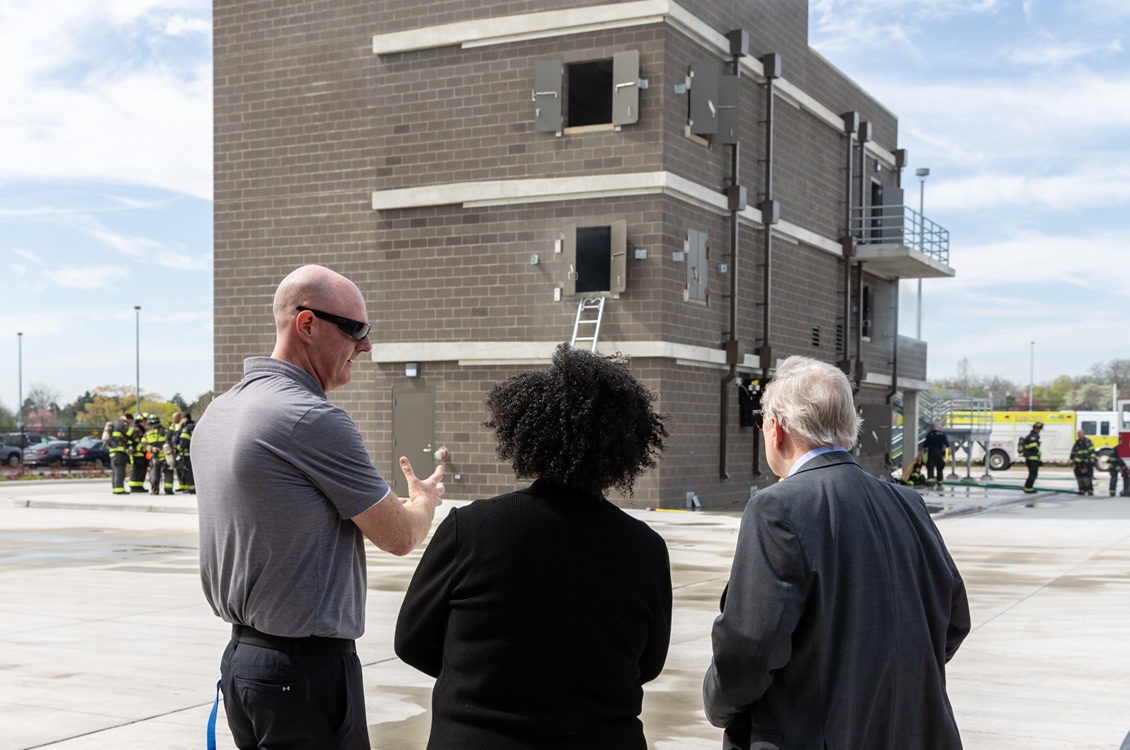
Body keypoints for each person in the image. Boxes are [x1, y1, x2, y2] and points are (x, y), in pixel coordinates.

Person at [194, 264, 445, 750]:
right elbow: (399, 537)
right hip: (303, 671)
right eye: (355, 329)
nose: (366, 345)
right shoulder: (310, 418)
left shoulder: (220, 412)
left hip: (245, 663)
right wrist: (422, 502)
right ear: (305, 325)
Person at [395, 344, 672, 750]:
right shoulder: (645, 548)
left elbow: (411, 641)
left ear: (528, 433)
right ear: (626, 447)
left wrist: (482, 675)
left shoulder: (470, 528)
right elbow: (648, 664)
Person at [702, 355, 970, 750]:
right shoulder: (908, 502)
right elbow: (953, 621)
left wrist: (717, 703)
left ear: (777, 429)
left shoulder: (777, 507)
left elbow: (749, 650)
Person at [104, 412, 137, 495]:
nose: (130, 424)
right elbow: (132, 434)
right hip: (119, 452)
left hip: (113, 452)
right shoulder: (121, 424)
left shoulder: (115, 425)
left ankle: (115, 489)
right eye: (131, 422)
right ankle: (119, 490)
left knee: (115, 471)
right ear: (129, 419)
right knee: (120, 471)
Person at [1070, 429, 1096, 496]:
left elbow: (1092, 451)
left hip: (1086, 463)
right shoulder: (1077, 443)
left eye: (1080, 433)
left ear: (1084, 434)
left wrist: (1092, 458)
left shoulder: (1088, 442)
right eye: (1078, 434)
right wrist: (1072, 462)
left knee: (1087, 477)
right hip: (1078, 464)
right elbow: (1073, 453)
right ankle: (1081, 490)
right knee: (1079, 477)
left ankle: (1089, 490)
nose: (1079, 435)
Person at [127, 413, 149, 493]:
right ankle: (133, 486)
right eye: (144, 421)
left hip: (142, 454)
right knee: (136, 471)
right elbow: (133, 443)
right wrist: (140, 448)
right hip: (136, 454)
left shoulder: (142, 430)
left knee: (142, 471)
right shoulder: (136, 430)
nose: (146, 423)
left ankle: (139, 486)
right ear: (140, 422)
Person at [923, 422, 949, 486]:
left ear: (932, 427)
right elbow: (947, 444)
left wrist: (922, 452)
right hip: (940, 453)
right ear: (937, 427)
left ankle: (930, 480)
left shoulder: (929, 434)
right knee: (940, 467)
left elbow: (925, 445)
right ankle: (940, 481)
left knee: (930, 466)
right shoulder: (942, 434)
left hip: (931, 453)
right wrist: (948, 454)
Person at [1020, 421, 1043, 494]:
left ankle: (1028, 487)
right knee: (1033, 474)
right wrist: (1038, 453)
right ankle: (1028, 488)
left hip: (1031, 459)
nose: (1039, 431)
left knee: (1032, 474)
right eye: (1039, 429)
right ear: (1036, 429)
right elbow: (1033, 447)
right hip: (1032, 459)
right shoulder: (1033, 437)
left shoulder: (1032, 436)